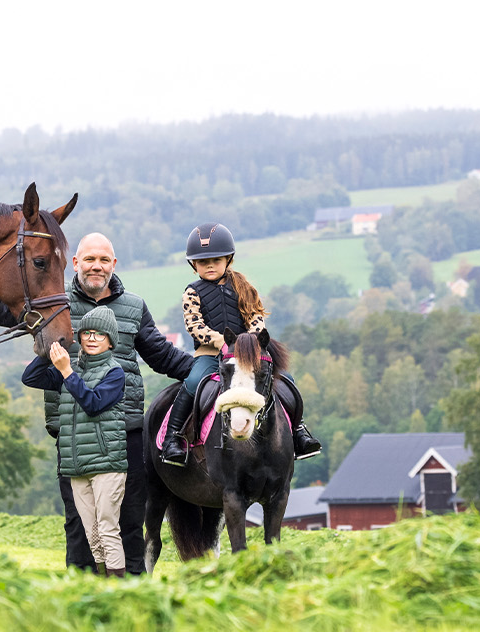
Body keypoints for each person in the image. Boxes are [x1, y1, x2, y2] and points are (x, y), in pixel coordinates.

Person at [40, 232, 194, 575]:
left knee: (128, 517)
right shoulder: (55, 305)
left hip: (125, 432)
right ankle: (84, 595)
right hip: (74, 432)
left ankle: (132, 593)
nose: (97, 266)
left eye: (104, 260)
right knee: (80, 523)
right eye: (89, 259)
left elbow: (162, 355)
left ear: (114, 265)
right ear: (75, 263)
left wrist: (204, 368)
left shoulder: (133, 307)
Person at [160, 222, 322, 466]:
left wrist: (250, 342)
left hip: (247, 353)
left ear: (228, 259)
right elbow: (195, 325)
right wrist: (221, 343)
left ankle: (298, 431)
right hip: (211, 353)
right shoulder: (192, 292)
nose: (210, 265)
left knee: (286, 378)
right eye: (203, 262)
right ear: (194, 265)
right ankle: (174, 438)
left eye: (216, 259)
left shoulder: (243, 287)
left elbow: (256, 317)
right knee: (193, 382)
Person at [21, 307, 131, 576]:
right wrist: (49, 348)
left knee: (107, 529)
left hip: (107, 464)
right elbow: (30, 378)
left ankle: (118, 588)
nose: (92, 338)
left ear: (110, 340)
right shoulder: (67, 369)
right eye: (87, 333)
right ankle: (103, 585)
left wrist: (67, 370)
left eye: (99, 334)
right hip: (77, 466)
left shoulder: (114, 373)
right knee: (92, 533)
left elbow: (93, 404)